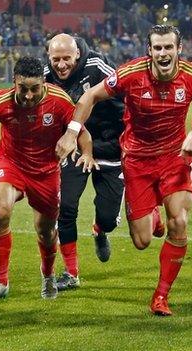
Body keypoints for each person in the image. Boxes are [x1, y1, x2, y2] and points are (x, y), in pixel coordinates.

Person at [56, 25, 192, 316]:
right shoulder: (130, 74)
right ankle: (152, 215)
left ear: (178, 50)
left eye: (168, 47)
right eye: (157, 48)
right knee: (142, 241)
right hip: (137, 161)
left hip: (174, 158)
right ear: (149, 50)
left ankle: (161, 296)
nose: (163, 53)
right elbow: (89, 97)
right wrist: (71, 132)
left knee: (180, 223)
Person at [0, 56, 97, 305]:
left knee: (46, 230)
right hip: (10, 163)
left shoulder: (59, 101)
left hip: (46, 171)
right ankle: (1, 281)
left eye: (34, 89)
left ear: (43, 84)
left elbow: (81, 131)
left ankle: (48, 275)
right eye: (22, 89)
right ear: (14, 82)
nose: (28, 95)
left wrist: (88, 153)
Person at [44, 33, 125, 290]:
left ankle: (100, 229)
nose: (61, 65)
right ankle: (71, 273)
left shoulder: (97, 66)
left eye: (66, 58)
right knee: (65, 208)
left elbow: (127, 95)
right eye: (56, 59)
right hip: (75, 147)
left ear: (77, 54)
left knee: (109, 217)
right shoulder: (45, 77)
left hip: (110, 146)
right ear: (49, 57)